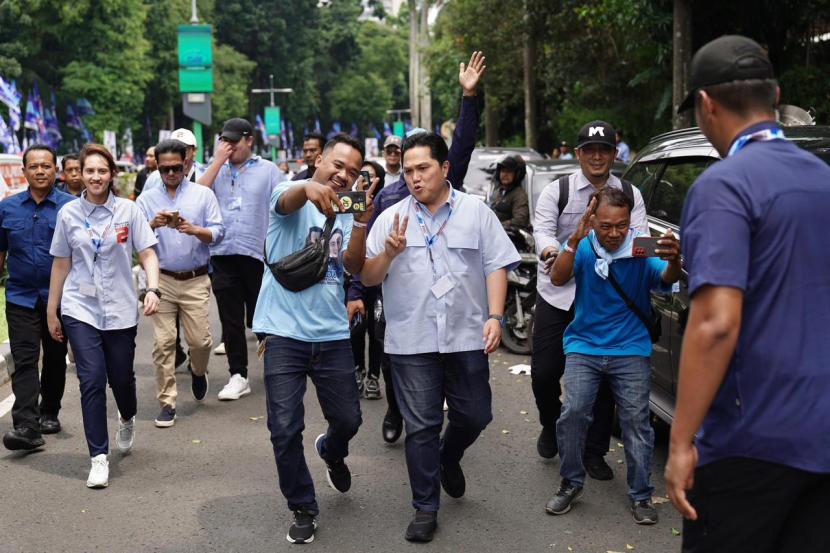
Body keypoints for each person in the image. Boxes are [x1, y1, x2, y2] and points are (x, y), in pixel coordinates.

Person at [665, 35, 830, 553]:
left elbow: (715, 323)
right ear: (775, 95)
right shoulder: (823, 177)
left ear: (706, 105)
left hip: (749, 443)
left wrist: (680, 441)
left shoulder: (723, 185)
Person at [362, 132, 520, 543]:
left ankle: (450, 457)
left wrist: (496, 316)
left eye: (423, 169)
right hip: (411, 341)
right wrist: (389, 255)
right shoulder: (390, 218)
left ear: (444, 168)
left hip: (467, 335)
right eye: (409, 170)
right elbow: (367, 277)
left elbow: (496, 264)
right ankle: (425, 507)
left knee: (475, 415)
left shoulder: (476, 212)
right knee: (421, 427)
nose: (414, 178)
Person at [252, 134, 373, 545]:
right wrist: (309, 187)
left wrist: (359, 222)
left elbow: (355, 265)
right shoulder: (289, 193)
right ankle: (302, 504)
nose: (343, 175)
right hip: (284, 333)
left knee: (349, 420)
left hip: (333, 333)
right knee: (284, 427)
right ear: (319, 159)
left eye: (353, 171)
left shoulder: (349, 206)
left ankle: (332, 450)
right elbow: (290, 197)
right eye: (337, 165)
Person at [363, 50, 486, 446]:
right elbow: (366, 254)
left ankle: (440, 448)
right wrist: (356, 294)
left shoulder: (451, 186)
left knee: (458, 402)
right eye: (405, 162)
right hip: (395, 296)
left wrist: (468, 98)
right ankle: (395, 409)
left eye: (422, 165)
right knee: (391, 352)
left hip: (449, 310)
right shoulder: (386, 200)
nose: (416, 175)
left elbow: (462, 144)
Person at [545, 187, 680, 524]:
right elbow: (558, 277)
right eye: (606, 226)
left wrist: (674, 260)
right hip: (584, 345)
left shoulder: (640, 245)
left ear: (629, 221)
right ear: (592, 220)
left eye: (621, 225)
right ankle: (571, 482)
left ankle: (641, 495)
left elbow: (665, 280)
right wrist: (573, 241)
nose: (614, 233)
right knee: (573, 413)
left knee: (636, 423)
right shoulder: (583, 245)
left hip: (630, 347)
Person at [531, 120, 647, 479]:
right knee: (544, 374)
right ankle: (553, 423)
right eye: (590, 150)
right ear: (578, 153)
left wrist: (665, 255)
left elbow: (640, 238)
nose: (597, 157)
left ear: (615, 153)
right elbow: (543, 231)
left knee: (606, 380)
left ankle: (595, 452)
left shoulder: (630, 192)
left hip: (606, 299)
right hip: (558, 292)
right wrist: (556, 252)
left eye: (605, 150)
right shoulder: (557, 191)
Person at [46, 143, 160, 488]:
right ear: (79, 174)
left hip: (122, 309)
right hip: (80, 308)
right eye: (89, 171)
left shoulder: (128, 211)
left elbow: (148, 253)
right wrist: (53, 310)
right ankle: (98, 456)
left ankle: (127, 416)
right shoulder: (68, 214)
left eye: (102, 171)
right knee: (91, 379)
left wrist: (152, 288)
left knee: (121, 379)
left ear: (112, 175)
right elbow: (62, 263)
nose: (95, 177)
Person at [136, 139, 225, 428]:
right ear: (157, 168)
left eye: (176, 167)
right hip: (160, 279)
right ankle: (167, 402)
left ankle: (199, 372)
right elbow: (135, 239)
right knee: (163, 344)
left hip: (196, 278)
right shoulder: (147, 199)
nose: (171, 174)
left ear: (186, 163)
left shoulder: (203, 195)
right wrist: (152, 225)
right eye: (165, 169)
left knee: (200, 342)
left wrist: (194, 229)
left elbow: (219, 233)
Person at [197, 118, 283, 401]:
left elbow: (283, 207)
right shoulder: (215, 169)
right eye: (224, 140)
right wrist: (217, 162)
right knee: (230, 318)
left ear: (249, 140)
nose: (228, 146)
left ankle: (276, 367)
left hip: (257, 254)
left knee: (262, 316)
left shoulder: (268, 171)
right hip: (221, 253)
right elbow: (197, 197)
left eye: (234, 141)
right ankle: (238, 375)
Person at [0, 145, 75, 451]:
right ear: (24, 171)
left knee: (55, 357)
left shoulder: (71, 207)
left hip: (60, 298)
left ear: (55, 170)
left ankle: (49, 411)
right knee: (25, 359)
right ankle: (26, 425)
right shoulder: (7, 208)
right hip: (20, 296)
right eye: (34, 166)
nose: (40, 171)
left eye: (46, 166)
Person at [346, 160, 386, 400]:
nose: (366, 181)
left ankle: (373, 377)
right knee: (356, 328)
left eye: (371, 177)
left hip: (379, 283)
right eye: (362, 176)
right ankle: (358, 371)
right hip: (353, 283)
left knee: (377, 331)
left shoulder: (384, 206)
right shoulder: (347, 204)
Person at [142, 129, 206, 193]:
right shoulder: (154, 177)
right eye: (173, 149)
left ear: (194, 150)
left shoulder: (205, 175)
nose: (178, 152)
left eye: (183, 148)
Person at [490, 154, 530, 230]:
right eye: (503, 171)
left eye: (509, 172)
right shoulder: (498, 191)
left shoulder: (519, 195)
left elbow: (520, 220)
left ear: (517, 174)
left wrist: (497, 226)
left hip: (507, 236)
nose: (505, 174)